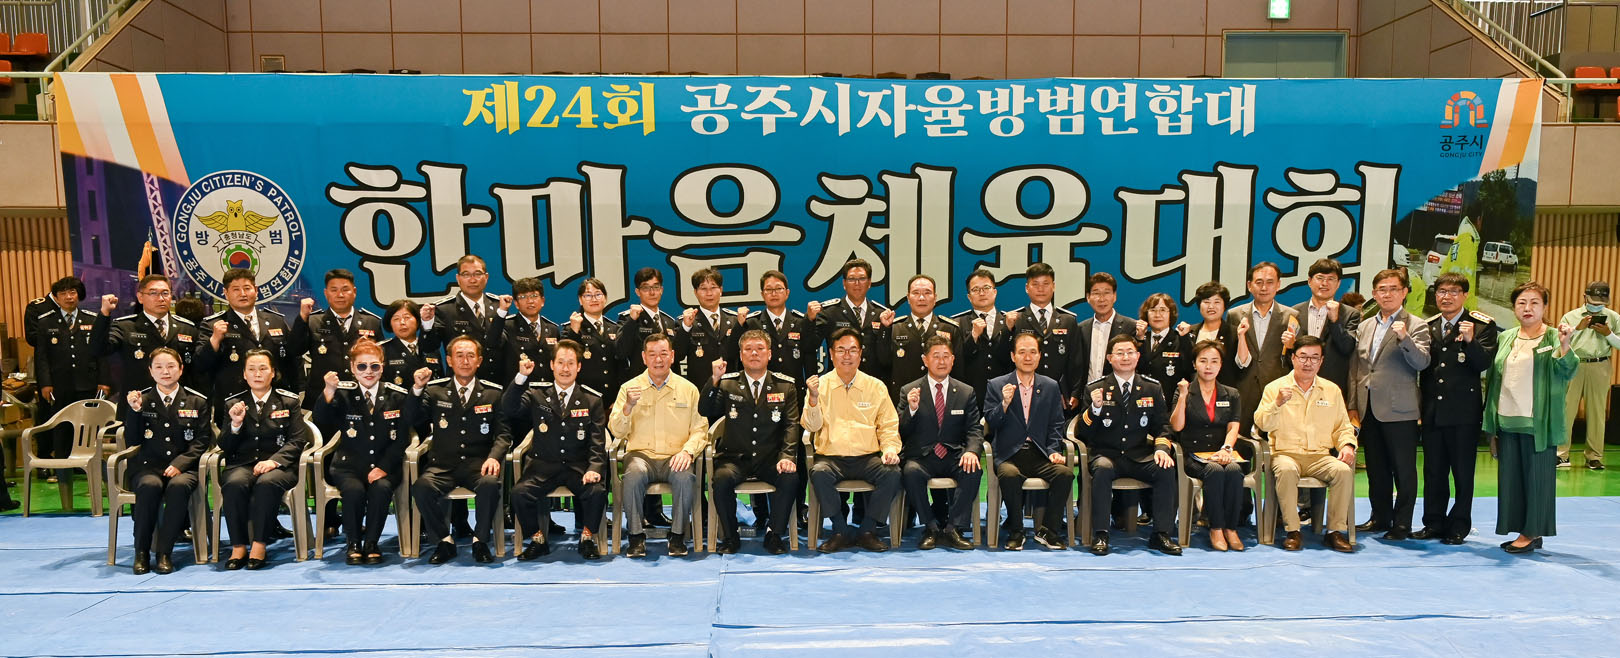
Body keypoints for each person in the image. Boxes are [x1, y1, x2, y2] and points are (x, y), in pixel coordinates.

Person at [312, 338, 424, 565]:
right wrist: (328, 391)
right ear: (353, 368)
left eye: (374, 366)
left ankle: (372, 543)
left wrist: (384, 467)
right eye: (362, 366)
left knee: (381, 489)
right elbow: (321, 419)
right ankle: (353, 543)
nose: (368, 372)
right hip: (349, 466)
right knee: (353, 491)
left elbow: (402, 437)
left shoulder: (396, 395)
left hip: (384, 465)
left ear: (383, 367)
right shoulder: (343, 394)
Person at [1485, 282, 1577, 554]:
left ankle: (1531, 532)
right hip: (1506, 419)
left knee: (1537, 481)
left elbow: (1568, 371)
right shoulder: (1506, 337)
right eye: (1521, 303)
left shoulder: (1554, 337)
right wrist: (1491, 426)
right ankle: (1522, 530)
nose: (1527, 308)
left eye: (1535, 302)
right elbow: (1494, 380)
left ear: (1545, 307)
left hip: (1538, 423)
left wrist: (1565, 346)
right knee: (1512, 482)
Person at [1077, 334, 1181, 556]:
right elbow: (1083, 433)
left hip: (1138, 455)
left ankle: (1161, 534)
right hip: (1106, 455)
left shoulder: (1152, 388)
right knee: (1103, 469)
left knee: (1166, 468)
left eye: (1130, 352)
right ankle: (1101, 534)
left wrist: (1162, 449)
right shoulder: (1095, 388)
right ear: (1110, 358)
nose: (1125, 357)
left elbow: (1163, 426)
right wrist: (1095, 409)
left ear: (1138, 356)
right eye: (1120, 353)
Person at [504, 339, 608, 561]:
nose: (565, 368)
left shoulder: (592, 399)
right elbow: (509, 408)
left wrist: (594, 468)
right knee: (519, 493)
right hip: (543, 465)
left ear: (579, 367)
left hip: (578, 466)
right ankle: (538, 540)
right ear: (552, 365)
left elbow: (597, 441)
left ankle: (587, 538)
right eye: (560, 362)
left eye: (571, 363)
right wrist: (521, 377)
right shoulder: (536, 394)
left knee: (597, 492)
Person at [699, 330, 801, 555]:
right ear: (741, 355)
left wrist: (787, 456)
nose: (754, 353)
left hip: (770, 459)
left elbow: (791, 425)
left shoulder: (785, 386)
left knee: (790, 477)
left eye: (760, 349)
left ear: (769, 354)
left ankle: (774, 534)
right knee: (721, 479)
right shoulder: (728, 383)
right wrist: (714, 380)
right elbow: (705, 410)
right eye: (748, 349)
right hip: (735, 458)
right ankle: (730, 536)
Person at [411, 335, 510, 565]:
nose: (465, 361)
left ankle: (480, 541)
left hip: (478, 465)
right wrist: (416, 389)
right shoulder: (434, 391)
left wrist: (494, 457)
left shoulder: (493, 393)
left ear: (479, 361)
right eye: (459, 356)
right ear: (449, 360)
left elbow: (503, 434)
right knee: (421, 488)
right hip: (442, 465)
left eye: (470, 356)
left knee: (489, 484)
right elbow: (413, 418)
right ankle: (444, 541)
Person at [801, 328, 902, 553]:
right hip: (831, 458)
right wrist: (814, 399)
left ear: (860, 354)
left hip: (867, 458)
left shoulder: (875, 386)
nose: (847, 356)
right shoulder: (819, 386)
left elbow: (888, 425)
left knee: (892, 473)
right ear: (831, 354)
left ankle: (867, 530)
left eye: (852, 350)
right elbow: (811, 426)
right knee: (818, 473)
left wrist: (890, 449)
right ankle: (840, 531)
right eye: (841, 350)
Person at [607, 332, 708, 558]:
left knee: (685, 477)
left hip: (676, 456)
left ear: (672, 356)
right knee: (633, 475)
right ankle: (636, 536)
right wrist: (628, 407)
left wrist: (687, 451)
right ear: (644, 358)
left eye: (663, 354)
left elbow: (700, 429)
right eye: (652, 354)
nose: (658, 359)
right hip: (641, 456)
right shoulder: (629, 388)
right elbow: (617, 431)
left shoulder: (689, 389)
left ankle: (677, 536)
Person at [1252, 336, 1356, 552]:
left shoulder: (1332, 390)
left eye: (1314, 358)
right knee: (1287, 470)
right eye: (1303, 357)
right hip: (1285, 454)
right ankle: (1293, 531)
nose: (1308, 363)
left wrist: (1347, 444)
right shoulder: (1275, 388)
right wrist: (1277, 403)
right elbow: (1262, 423)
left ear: (1321, 361)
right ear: (1293, 358)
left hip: (1320, 456)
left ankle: (1335, 532)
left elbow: (1343, 426)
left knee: (1343, 471)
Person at [1417, 272, 1499, 544]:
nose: (1447, 297)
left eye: (1453, 292)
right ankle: (1433, 523)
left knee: (1462, 474)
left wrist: (1470, 341)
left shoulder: (1481, 325)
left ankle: (1458, 526)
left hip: (1463, 413)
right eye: (1442, 291)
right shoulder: (1428, 326)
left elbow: (1483, 363)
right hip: (1433, 412)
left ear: (1465, 295)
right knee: (1433, 472)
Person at [1349, 268, 1431, 540]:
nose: (1387, 294)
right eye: (1382, 289)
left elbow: (1422, 362)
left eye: (1393, 288)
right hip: (1369, 407)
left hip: (1400, 409)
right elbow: (1358, 369)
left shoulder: (1416, 324)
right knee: (1376, 469)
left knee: (1404, 470)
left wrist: (1405, 338)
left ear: (1404, 292)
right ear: (1374, 294)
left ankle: (1402, 523)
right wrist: (1353, 405)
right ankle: (1380, 517)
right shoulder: (1365, 326)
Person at [734, 269, 819, 532]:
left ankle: (799, 508)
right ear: (762, 294)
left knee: (796, 455)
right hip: (759, 400)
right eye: (768, 290)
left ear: (787, 293)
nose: (773, 294)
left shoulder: (800, 321)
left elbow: (809, 356)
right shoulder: (752, 322)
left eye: (778, 289)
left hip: (793, 399)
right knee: (760, 451)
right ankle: (761, 512)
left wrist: (811, 390)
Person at [218, 350, 309, 570]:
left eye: (262, 369)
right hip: (242, 464)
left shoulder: (288, 401)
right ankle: (238, 546)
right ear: (244, 374)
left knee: (267, 483)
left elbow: (298, 440)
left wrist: (274, 461)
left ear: (273, 373)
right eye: (251, 369)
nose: (257, 374)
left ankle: (259, 545)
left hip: (279, 467)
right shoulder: (233, 403)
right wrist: (235, 424)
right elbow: (225, 445)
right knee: (234, 484)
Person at [120, 348, 209, 574]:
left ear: (181, 369)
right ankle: (141, 552)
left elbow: (202, 440)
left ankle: (164, 552)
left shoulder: (197, 401)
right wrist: (135, 411)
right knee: (149, 486)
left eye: (170, 366)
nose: (165, 372)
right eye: (159, 367)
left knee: (178, 487)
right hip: (148, 467)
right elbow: (132, 440)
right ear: (150, 371)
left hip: (184, 469)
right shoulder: (141, 400)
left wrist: (180, 464)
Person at [984, 331, 1072, 551]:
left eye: (1033, 352)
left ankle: (1048, 531)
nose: (1028, 357)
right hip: (1009, 454)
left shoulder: (1050, 386)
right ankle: (1016, 531)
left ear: (1039, 356)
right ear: (1013, 356)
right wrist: (1004, 404)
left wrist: (1053, 450)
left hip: (1039, 453)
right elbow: (991, 422)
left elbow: (1056, 423)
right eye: (1022, 352)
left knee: (1064, 474)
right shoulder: (996, 384)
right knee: (1009, 475)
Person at [896, 335, 982, 550]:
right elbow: (901, 431)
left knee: (972, 469)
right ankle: (931, 527)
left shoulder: (965, 392)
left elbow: (974, 429)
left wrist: (972, 451)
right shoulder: (910, 390)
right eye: (936, 356)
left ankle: (953, 528)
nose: (941, 361)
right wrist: (911, 409)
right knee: (910, 472)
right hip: (922, 456)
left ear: (953, 359)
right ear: (925, 360)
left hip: (953, 455)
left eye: (946, 356)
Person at [1168, 340, 1246, 551]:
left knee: (1234, 470)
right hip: (1192, 454)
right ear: (1194, 364)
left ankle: (1231, 528)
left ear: (1221, 365)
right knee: (1214, 470)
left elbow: (1233, 426)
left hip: (1221, 451)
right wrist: (1183, 397)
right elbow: (1176, 426)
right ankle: (1216, 528)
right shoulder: (1184, 390)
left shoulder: (1231, 394)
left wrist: (1226, 448)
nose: (1208, 366)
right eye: (1203, 361)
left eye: (1214, 361)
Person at [196, 269, 296, 426]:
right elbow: (200, 364)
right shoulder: (213, 325)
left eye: (247, 288)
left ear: (256, 290)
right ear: (226, 293)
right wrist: (214, 339)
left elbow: (291, 361)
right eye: (236, 289)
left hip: (275, 405)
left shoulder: (276, 321)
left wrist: (293, 394)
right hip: (233, 404)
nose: (242, 294)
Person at [32, 275, 109, 473]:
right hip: (59, 384)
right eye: (63, 293)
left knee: (87, 425)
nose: (68, 297)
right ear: (56, 297)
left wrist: (103, 381)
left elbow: (102, 354)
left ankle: (86, 465)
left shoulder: (92, 319)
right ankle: (63, 468)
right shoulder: (45, 322)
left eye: (72, 292)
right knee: (61, 426)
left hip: (88, 382)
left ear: (79, 295)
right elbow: (41, 357)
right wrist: (45, 384)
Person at [91, 275, 205, 402]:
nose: (160, 298)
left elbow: (197, 368)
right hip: (138, 403)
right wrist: (104, 313)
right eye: (153, 293)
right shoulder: (126, 326)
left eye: (165, 293)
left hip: (177, 404)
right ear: (140, 297)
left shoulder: (186, 328)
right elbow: (98, 349)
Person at [291, 269, 383, 410]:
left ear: (354, 292)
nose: (340, 295)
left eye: (345, 289)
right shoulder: (313, 321)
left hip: (361, 398)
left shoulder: (371, 322)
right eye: (334, 290)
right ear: (326, 293)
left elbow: (381, 360)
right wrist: (302, 318)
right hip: (323, 397)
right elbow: (295, 350)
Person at [1228, 262, 1299, 437]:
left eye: (1270, 282)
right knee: (1241, 441)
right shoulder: (1234, 315)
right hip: (1244, 388)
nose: (1264, 287)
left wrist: (1292, 346)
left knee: (1276, 441)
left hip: (1277, 389)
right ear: (1249, 285)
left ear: (1278, 285)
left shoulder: (1292, 316)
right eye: (1259, 282)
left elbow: (1297, 360)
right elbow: (1231, 355)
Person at [1557, 280, 1620, 470]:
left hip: (1600, 365)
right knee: (1566, 411)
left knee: (1597, 412)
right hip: (1573, 364)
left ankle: (1594, 456)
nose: (1597, 306)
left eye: (1601, 303)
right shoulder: (1570, 316)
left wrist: (1608, 334)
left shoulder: (1613, 317)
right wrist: (1578, 328)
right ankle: (1561, 455)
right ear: (1585, 297)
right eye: (1593, 302)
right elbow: (1560, 342)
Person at [877, 275, 963, 402]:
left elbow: (958, 371)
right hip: (903, 399)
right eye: (916, 293)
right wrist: (885, 329)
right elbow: (883, 361)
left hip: (940, 400)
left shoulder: (950, 329)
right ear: (908, 298)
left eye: (927, 293)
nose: (921, 298)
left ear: (935, 298)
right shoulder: (894, 327)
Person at [1008, 262, 1082, 407]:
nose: (1041, 289)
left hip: (1060, 394)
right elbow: (1007, 359)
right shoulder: (1017, 319)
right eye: (1035, 284)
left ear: (1053, 286)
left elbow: (1076, 361)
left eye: (1046, 284)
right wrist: (1008, 329)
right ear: (1027, 288)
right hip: (1023, 393)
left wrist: (1075, 392)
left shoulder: (1068, 320)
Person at [422, 254, 503, 382]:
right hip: (461, 382)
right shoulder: (445, 309)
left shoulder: (499, 305)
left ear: (486, 277)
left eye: (477, 274)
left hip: (496, 383)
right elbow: (429, 347)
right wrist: (427, 323)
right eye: (466, 275)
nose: (472, 280)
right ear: (458, 278)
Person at [1293, 258, 1361, 398]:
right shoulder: (1294, 312)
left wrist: (1335, 321)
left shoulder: (1350, 314)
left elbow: (1347, 348)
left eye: (1331, 279)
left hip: (1333, 388)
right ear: (1309, 281)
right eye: (1320, 278)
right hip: (1298, 387)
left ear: (1338, 283)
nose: (1324, 283)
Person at [560, 278, 625, 424]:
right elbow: (565, 360)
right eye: (588, 295)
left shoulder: (614, 328)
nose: (594, 299)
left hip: (612, 403)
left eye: (598, 294)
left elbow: (621, 365)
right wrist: (574, 331)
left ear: (605, 298)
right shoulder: (571, 327)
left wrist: (619, 398)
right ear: (580, 299)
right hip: (583, 402)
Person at [812, 258, 890, 378]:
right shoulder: (830, 312)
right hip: (840, 381)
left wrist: (886, 328)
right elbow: (811, 345)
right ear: (844, 283)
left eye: (862, 278)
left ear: (869, 283)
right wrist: (810, 320)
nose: (857, 283)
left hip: (872, 381)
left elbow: (886, 356)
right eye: (851, 279)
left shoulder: (881, 314)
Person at [953, 268, 1014, 399]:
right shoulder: (957, 323)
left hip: (1004, 392)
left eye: (986, 288)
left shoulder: (1009, 321)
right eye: (975, 289)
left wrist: (1008, 330)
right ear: (969, 297)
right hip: (970, 393)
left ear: (995, 292)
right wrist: (973, 336)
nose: (982, 293)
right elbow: (956, 361)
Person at [1076, 272, 1138, 397]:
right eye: (1096, 293)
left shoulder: (1130, 326)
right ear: (1088, 297)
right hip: (1088, 396)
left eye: (1106, 293)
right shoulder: (1081, 328)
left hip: (1121, 396)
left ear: (1114, 296)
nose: (1101, 299)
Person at [616, 267, 687, 376]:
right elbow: (621, 352)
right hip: (642, 382)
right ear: (637, 292)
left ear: (661, 290)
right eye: (646, 288)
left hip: (668, 381)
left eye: (656, 287)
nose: (652, 292)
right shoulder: (629, 318)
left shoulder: (669, 321)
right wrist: (632, 320)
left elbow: (677, 356)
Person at [678, 267, 739, 381]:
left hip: (730, 386)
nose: (709, 293)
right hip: (700, 387)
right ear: (695, 292)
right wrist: (686, 327)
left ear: (721, 290)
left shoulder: (734, 320)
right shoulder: (687, 321)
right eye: (703, 288)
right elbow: (677, 355)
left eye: (713, 287)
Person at [1184, 281, 1245, 386]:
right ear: (1199, 305)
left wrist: (1242, 336)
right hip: (1193, 391)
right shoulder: (1190, 332)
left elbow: (1243, 363)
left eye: (1217, 302)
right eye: (1206, 302)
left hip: (1224, 391)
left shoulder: (1235, 333)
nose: (1211, 306)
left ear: (1224, 305)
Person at [1138, 293, 1192, 402]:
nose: (1157, 315)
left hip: (1171, 403)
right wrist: (1139, 340)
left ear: (1171, 314)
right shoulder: (1139, 339)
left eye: (1162, 310)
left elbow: (1190, 369)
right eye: (1153, 310)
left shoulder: (1180, 339)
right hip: (1142, 402)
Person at [379, 299, 441, 388]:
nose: (402, 322)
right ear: (390, 324)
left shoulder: (430, 347)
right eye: (396, 319)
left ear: (417, 320)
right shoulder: (382, 350)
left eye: (407, 317)